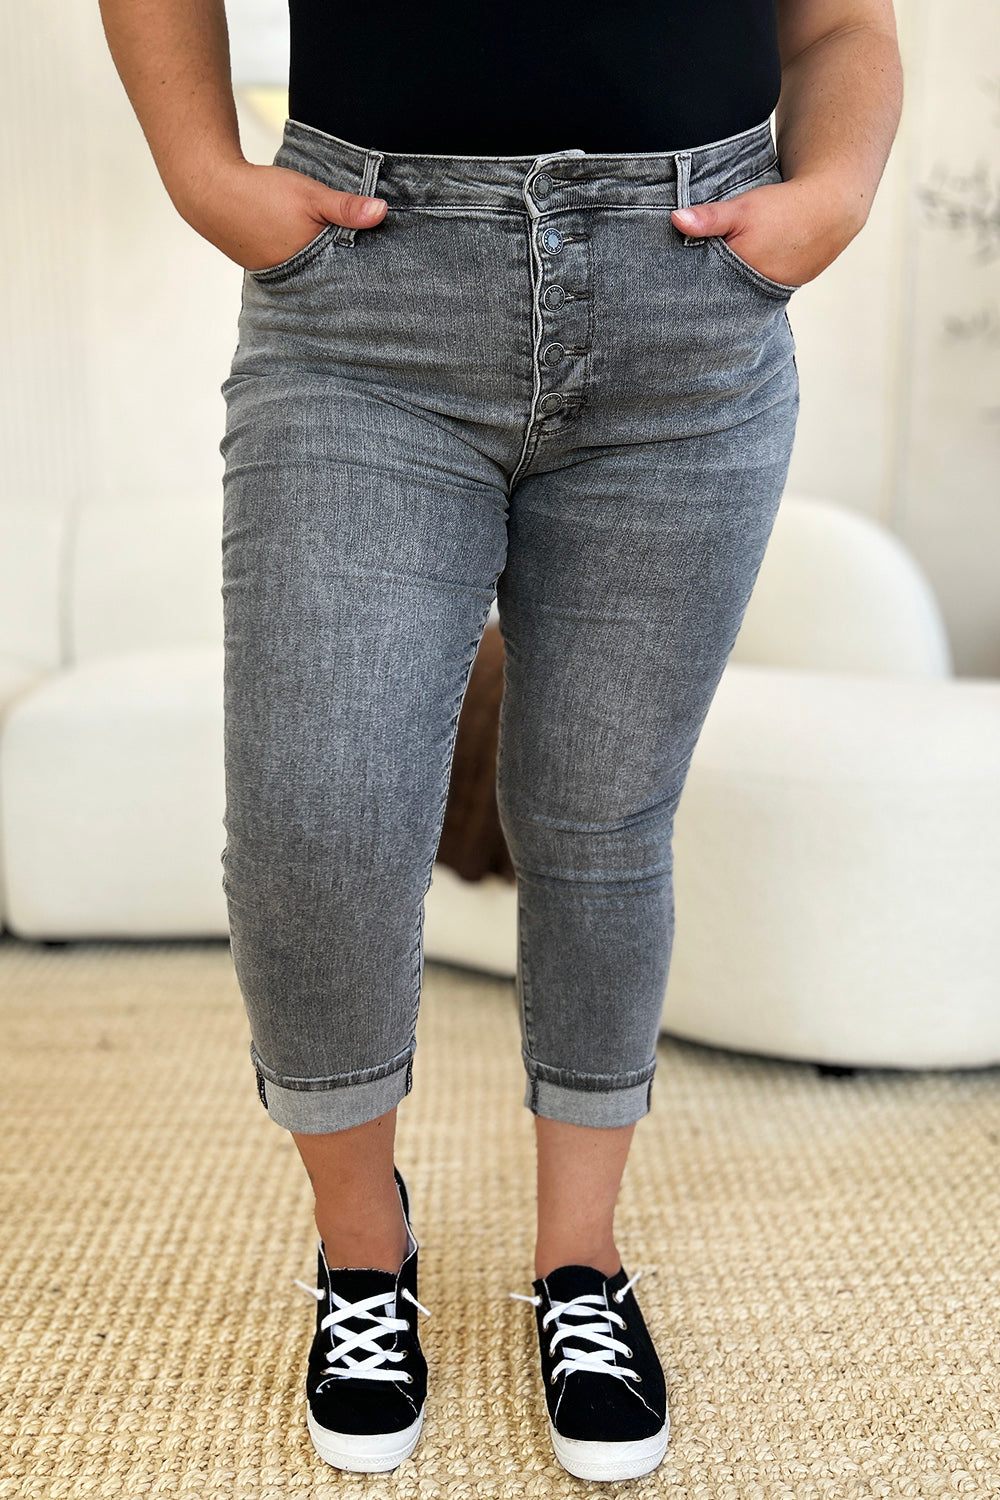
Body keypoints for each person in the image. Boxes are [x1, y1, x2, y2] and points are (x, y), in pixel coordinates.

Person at [98, 0, 903, 1481]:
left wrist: (835, 194)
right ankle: (361, 1261)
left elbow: (845, 23)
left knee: (599, 817)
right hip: (367, 294)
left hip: (688, 301)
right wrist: (200, 170)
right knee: (316, 820)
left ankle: (580, 1273)